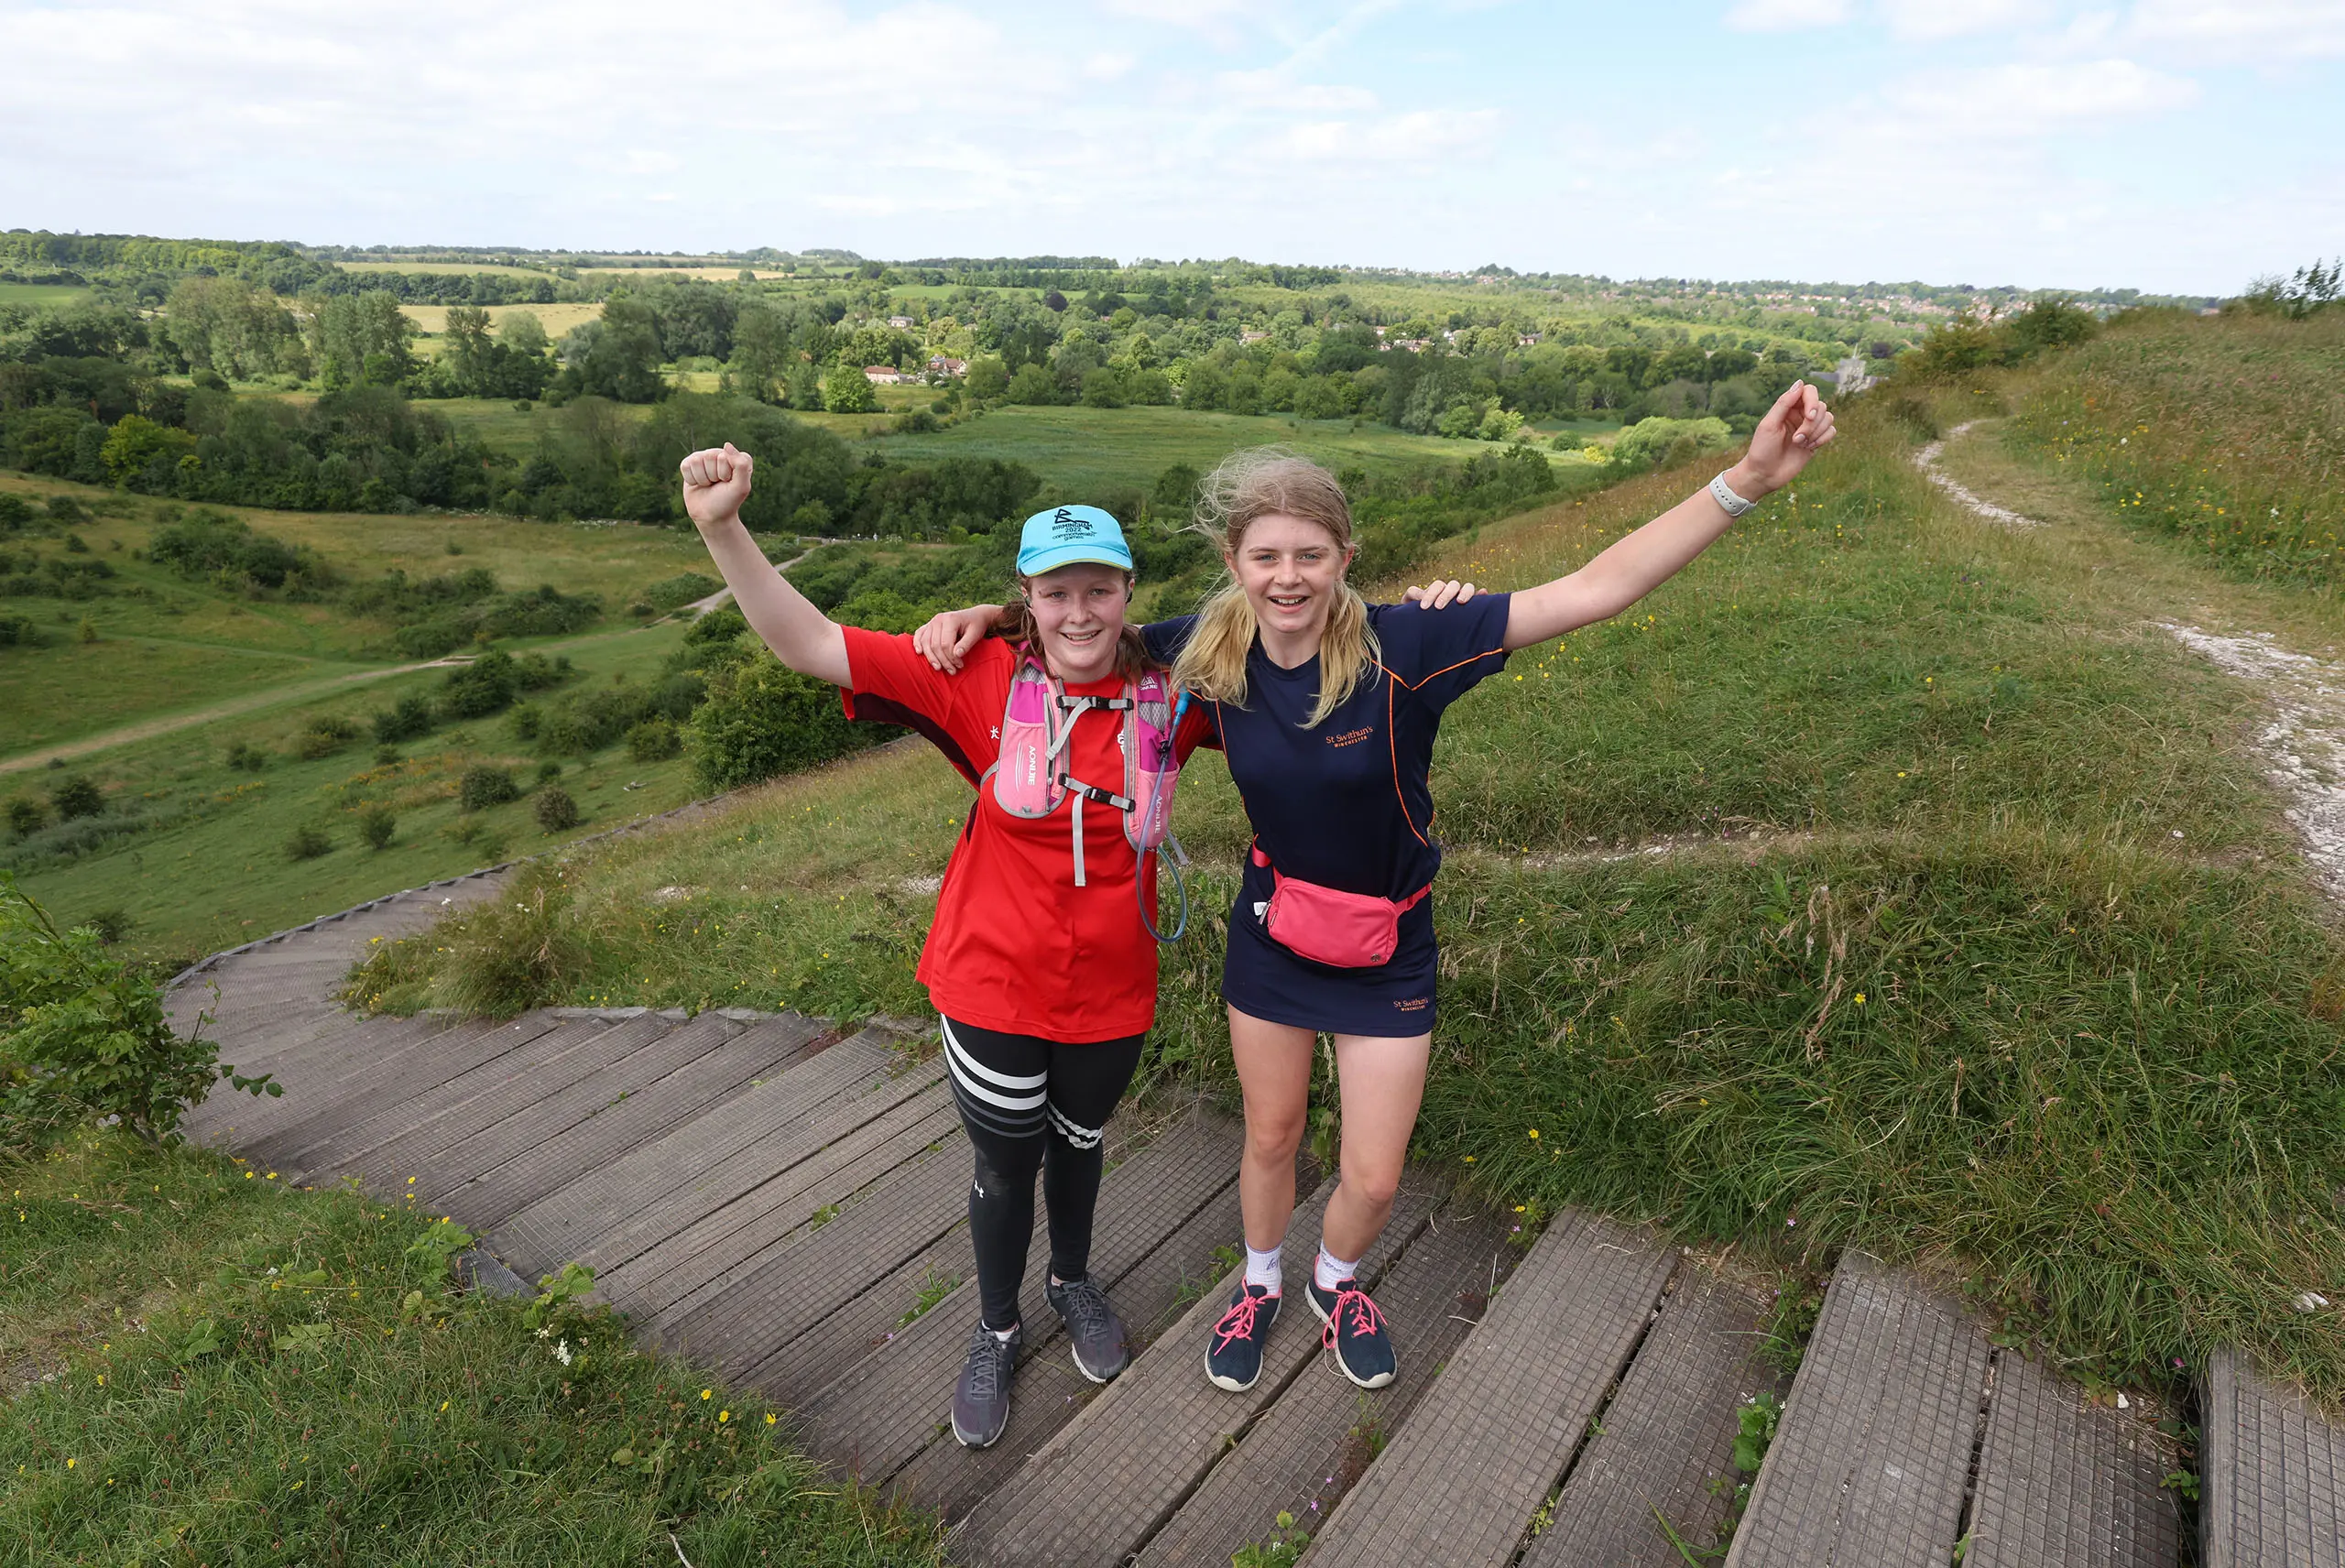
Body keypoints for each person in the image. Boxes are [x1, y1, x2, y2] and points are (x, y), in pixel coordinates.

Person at [911, 380, 1837, 1395]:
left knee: (1374, 1173)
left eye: (1310, 554)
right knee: (1270, 1135)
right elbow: (1080, 628)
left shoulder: (1410, 645)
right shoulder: (1203, 648)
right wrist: (979, 615)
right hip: (1272, 935)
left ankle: (1334, 1277)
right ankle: (1259, 1281)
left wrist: (1744, 481)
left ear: (1345, 557)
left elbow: (1594, 585)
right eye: (1265, 555)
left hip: (1388, 943)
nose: (1287, 576)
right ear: (1235, 564)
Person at [678, 444, 1212, 1449]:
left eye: (1099, 588)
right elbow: (811, 643)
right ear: (1027, 597)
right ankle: (999, 1323)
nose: (1080, 613)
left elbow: (1295, 639)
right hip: (990, 985)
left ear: (1130, 592)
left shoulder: (1176, 693)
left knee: (1083, 1143)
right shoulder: (975, 676)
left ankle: (1071, 1280)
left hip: (1112, 988)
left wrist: (1433, 613)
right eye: (1055, 594)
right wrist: (722, 528)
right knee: (1006, 1164)